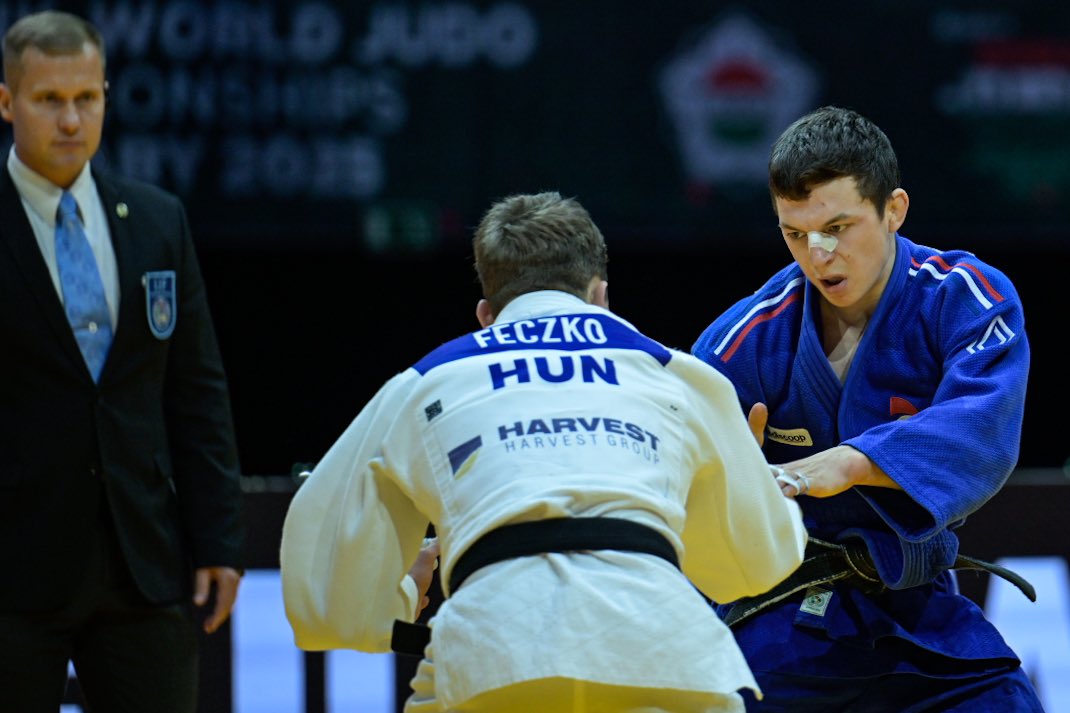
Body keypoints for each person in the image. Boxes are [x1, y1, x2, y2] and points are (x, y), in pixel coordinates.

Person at [280, 191, 807, 712]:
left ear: (487, 314)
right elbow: (759, 566)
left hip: (492, 652)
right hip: (662, 647)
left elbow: (324, 604)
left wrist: (397, 597)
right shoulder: (677, 374)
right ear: (600, 296)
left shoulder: (423, 383)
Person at [691, 105, 1044, 711]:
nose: (818, 254)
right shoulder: (743, 342)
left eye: (838, 227)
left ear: (894, 210)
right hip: (782, 615)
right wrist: (727, 489)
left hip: (921, 611)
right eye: (795, 233)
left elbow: (981, 425)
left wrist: (851, 461)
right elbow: (682, 488)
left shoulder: (965, 298)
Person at [0, 10, 245, 712]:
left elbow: (197, 389)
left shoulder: (157, 217)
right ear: (7, 101)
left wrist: (221, 537)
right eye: (50, 100)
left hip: (143, 563)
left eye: (87, 98)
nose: (71, 119)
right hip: (13, 569)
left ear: (106, 95)